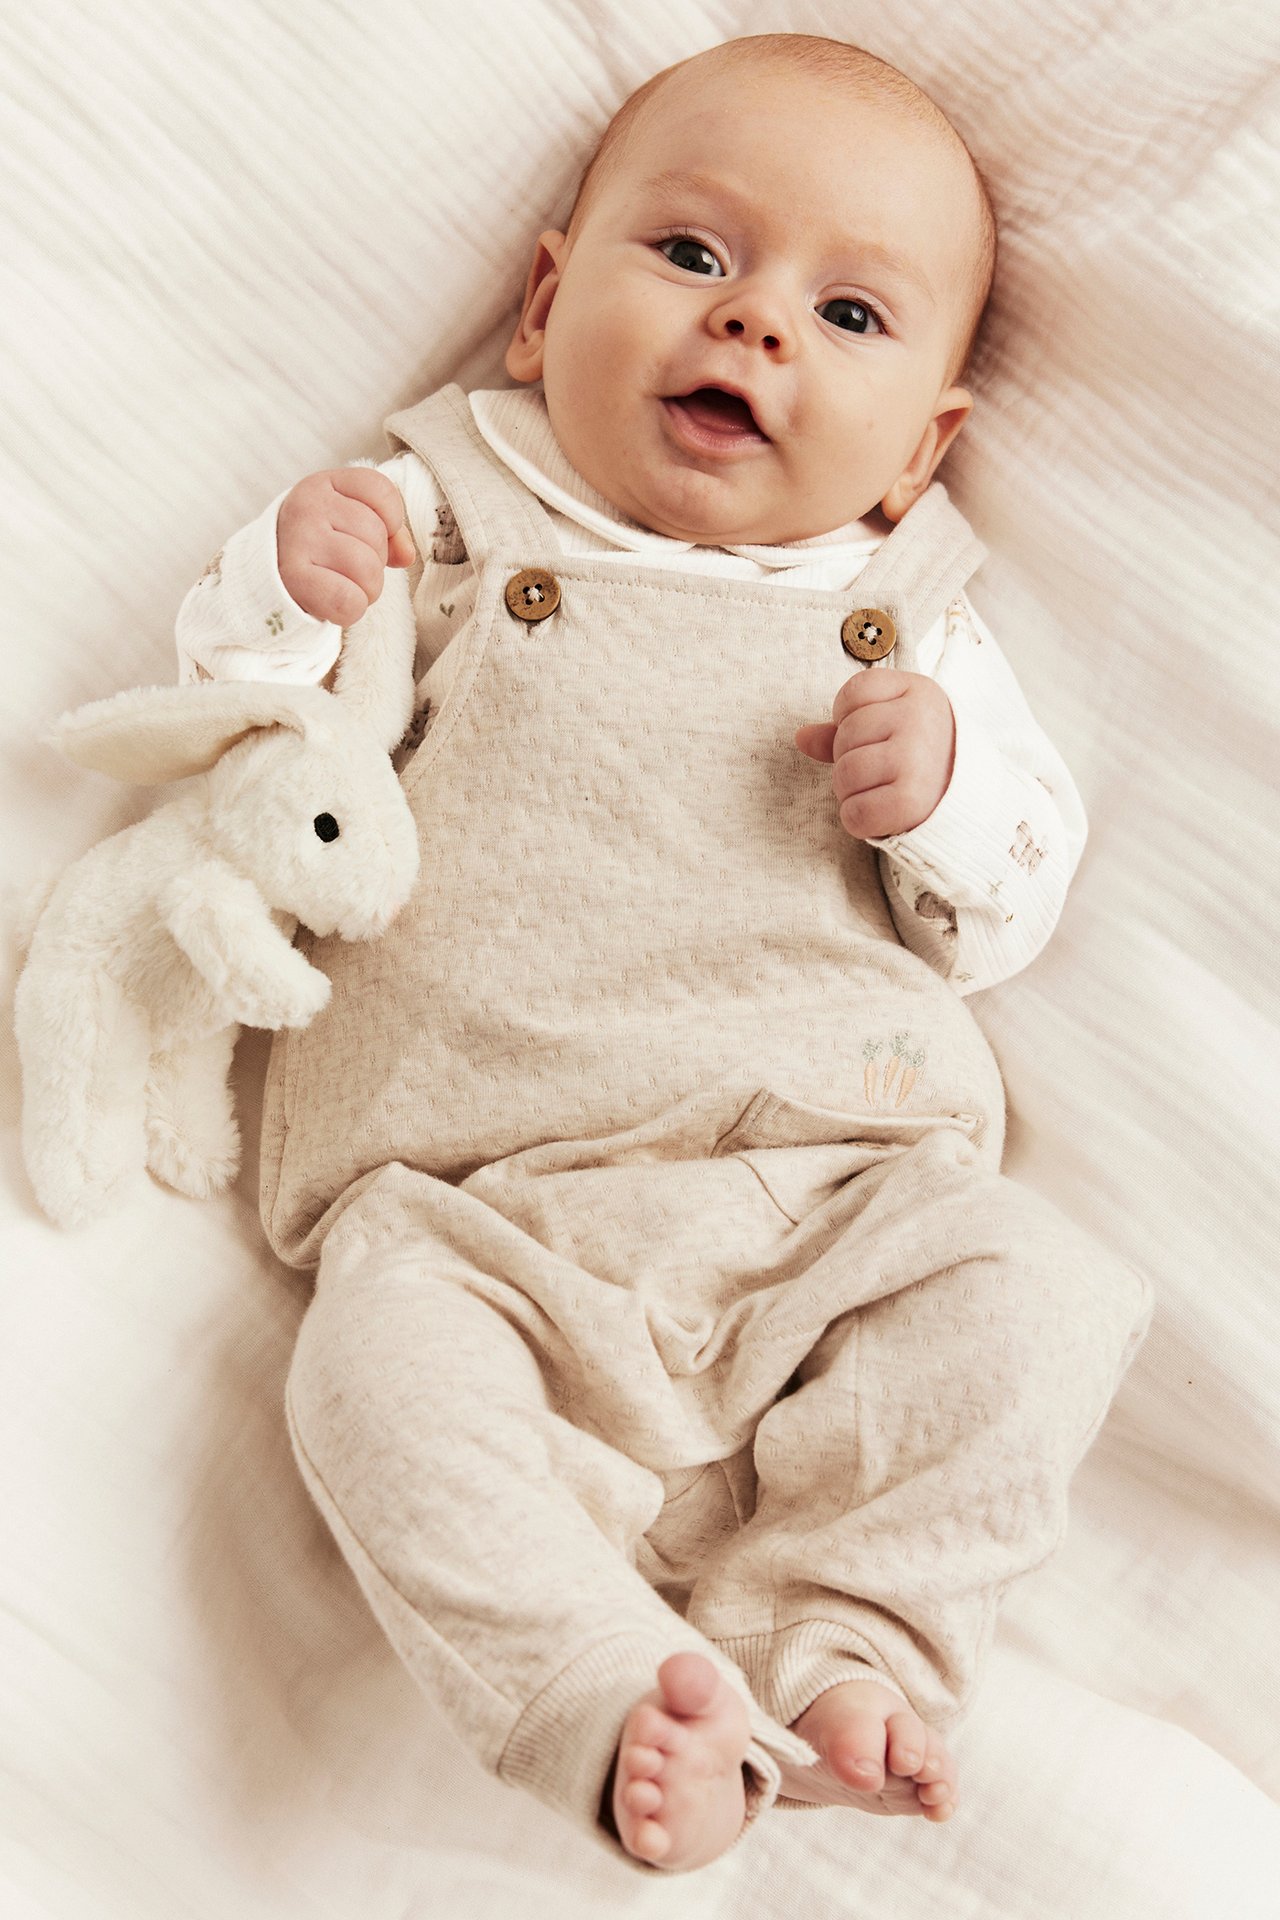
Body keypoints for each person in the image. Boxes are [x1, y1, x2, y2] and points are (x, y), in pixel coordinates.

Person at [176, 33, 1151, 1874]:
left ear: (929, 437)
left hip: (830, 1187)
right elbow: (263, 754)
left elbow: (1009, 905)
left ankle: (844, 1633)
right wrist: (282, 588)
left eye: (850, 313)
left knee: (1038, 1290)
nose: (758, 327)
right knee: (370, 1381)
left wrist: (938, 795)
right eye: (694, 258)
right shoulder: (446, 512)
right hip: (484, 1202)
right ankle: (603, 1684)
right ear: (543, 311)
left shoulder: (912, 629)